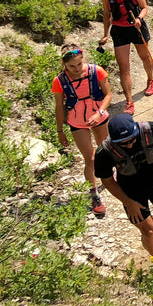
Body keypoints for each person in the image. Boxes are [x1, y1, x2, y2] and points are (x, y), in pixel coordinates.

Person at [95, 113, 153, 282]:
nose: (129, 144)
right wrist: (128, 202)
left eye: (132, 139)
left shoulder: (151, 129)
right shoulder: (104, 152)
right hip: (131, 190)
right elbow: (107, 180)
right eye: (123, 143)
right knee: (147, 229)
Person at [53, 44, 112, 218]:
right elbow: (59, 107)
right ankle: (94, 194)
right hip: (76, 121)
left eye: (79, 64)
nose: (77, 69)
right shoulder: (59, 81)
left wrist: (99, 113)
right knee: (90, 157)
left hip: (98, 117)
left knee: (105, 151)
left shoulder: (97, 71)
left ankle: (111, 178)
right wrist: (59, 130)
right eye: (72, 66)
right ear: (64, 65)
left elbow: (108, 95)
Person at [98, 0, 153, 115]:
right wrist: (105, 34)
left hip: (136, 27)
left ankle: (150, 80)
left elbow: (144, 7)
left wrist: (139, 18)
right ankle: (129, 102)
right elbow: (106, 14)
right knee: (123, 67)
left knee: (145, 56)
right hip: (119, 31)